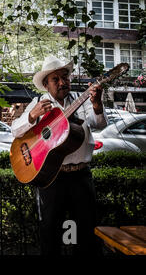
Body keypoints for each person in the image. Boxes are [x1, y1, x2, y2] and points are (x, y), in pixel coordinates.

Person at [11, 55, 108, 255]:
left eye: (65, 77)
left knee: (85, 232)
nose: (63, 82)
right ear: (46, 85)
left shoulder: (84, 100)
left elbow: (100, 125)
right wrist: (31, 116)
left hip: (81, 176)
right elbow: (15, 131)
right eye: (56, 79)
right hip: (51, 178)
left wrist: (97, 104)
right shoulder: (39, 103)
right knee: (50, 231)